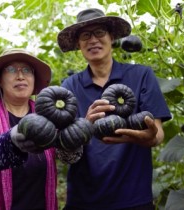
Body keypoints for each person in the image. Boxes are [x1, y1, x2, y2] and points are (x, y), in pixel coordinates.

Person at [57, 8, 172, 210]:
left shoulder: (142, 75)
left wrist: (151, 137)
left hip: (134, 199)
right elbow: (64, 150)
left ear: (111, 37)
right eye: (85, 35)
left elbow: (157, 133)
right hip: (83, 201)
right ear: (78, 44)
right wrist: (84, 125)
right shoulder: (68, 86)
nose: (93, 40)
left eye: (99, 32)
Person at [0, 49, 82, 210]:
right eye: (11, 70)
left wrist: (73, 140)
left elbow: (67, 157)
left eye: (27, 70)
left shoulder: (48, 114)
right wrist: (11, 140)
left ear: (34, 78)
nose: (20, 76)